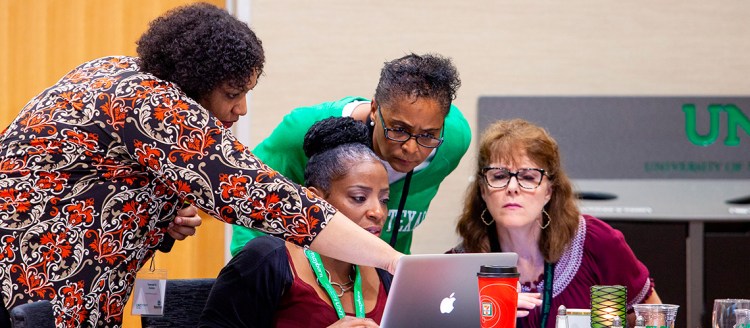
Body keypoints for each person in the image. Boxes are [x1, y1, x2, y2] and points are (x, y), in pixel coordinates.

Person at [0, 4, 400, 327]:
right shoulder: (154, 104)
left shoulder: (115, 70)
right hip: (33, 282)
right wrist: (391, 260)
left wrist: (159, 212)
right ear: (193, 82)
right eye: (231, 93)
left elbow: (96, 180)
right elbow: (260, 195)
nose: (240, 109)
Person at [231, 53, 471, 255]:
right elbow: (250, 196)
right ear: (375, 109)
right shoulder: (302, 131)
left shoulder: (453, 143)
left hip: (384, 284)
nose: (411, 148)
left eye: (428, 135)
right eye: (398, 130)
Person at [449, 119, 662, 328]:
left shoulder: (595, 242)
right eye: (499, 176)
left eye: (528, 177)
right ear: (483, 190)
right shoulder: (456, 268)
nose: (512, 187)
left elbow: (655, 316)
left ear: (549, 192)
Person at [201, 117, 392, 327]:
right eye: (359, 198)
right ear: (316, 201)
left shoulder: (385, 272)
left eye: (384, 200)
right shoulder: (267, 260)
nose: (377, 212)